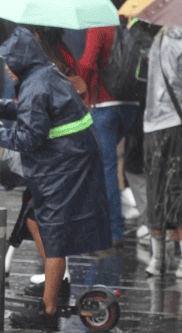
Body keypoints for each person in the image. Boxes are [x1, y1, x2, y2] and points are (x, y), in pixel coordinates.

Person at [0, 27, 111, 330]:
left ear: (22, 60)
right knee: (34, 220)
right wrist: (1, 107)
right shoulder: (41, 74)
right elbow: (33, 111)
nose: (7, 68)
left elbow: (30, 137)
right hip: (70, 158)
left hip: (67, 164)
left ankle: (48, 310)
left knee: (52, 232)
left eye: (10, 62)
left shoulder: (36, 83)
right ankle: (56, 279)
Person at [78, 25, 140, 247]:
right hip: (132, 105)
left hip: (104, 105)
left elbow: (88, 62)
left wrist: (76, 85)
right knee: (133, 166)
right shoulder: (132, 24)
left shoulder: (99, 24)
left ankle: (113, 231)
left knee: (106, 167)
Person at [143, 26, 182, 277]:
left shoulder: (158, 39)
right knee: (178, 188)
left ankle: (157, 260)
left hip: (152, 123)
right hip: (176, 121)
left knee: (155, 189)